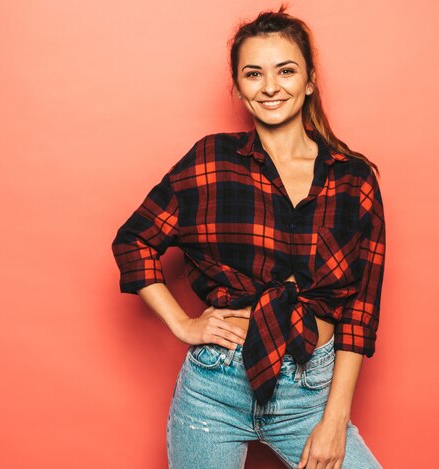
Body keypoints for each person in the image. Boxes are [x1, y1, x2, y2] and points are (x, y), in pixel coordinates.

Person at [111, 5, 386, 469]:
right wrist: (183, 323)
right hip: (215, 390)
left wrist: (335, 419)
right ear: (238, 87)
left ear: (310, 79)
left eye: (286, 70)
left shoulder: (353, 179)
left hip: (311, 391)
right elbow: (133, 241)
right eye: (253, 73)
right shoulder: (211, 161)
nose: (271, 86)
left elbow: (360, 310)